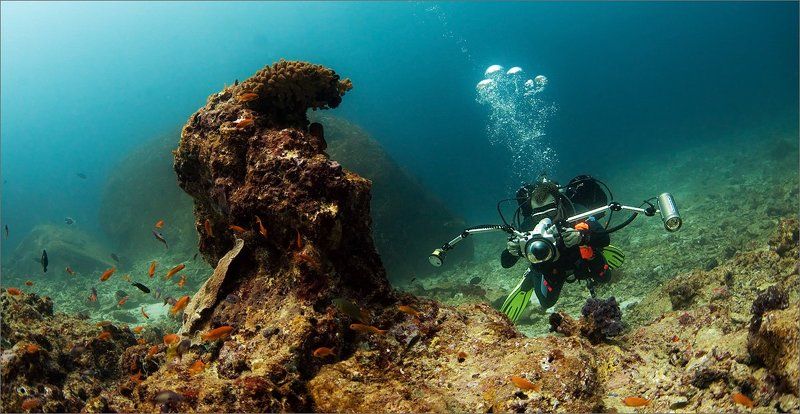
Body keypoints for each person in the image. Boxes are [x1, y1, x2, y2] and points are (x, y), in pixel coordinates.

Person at [498, 175, 624, 323]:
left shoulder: (576, 212)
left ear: (559, 204)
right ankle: (532, 274)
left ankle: (595, 252)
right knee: (547, 302)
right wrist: (512, 250)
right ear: (533, 214)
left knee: (604, 278)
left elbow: (604, 238)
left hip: (579, 258)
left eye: (550, 213)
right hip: (551, 265)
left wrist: (583, 236)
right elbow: (505, 263)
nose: (546, 219)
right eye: (538, 216)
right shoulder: (528, 225)